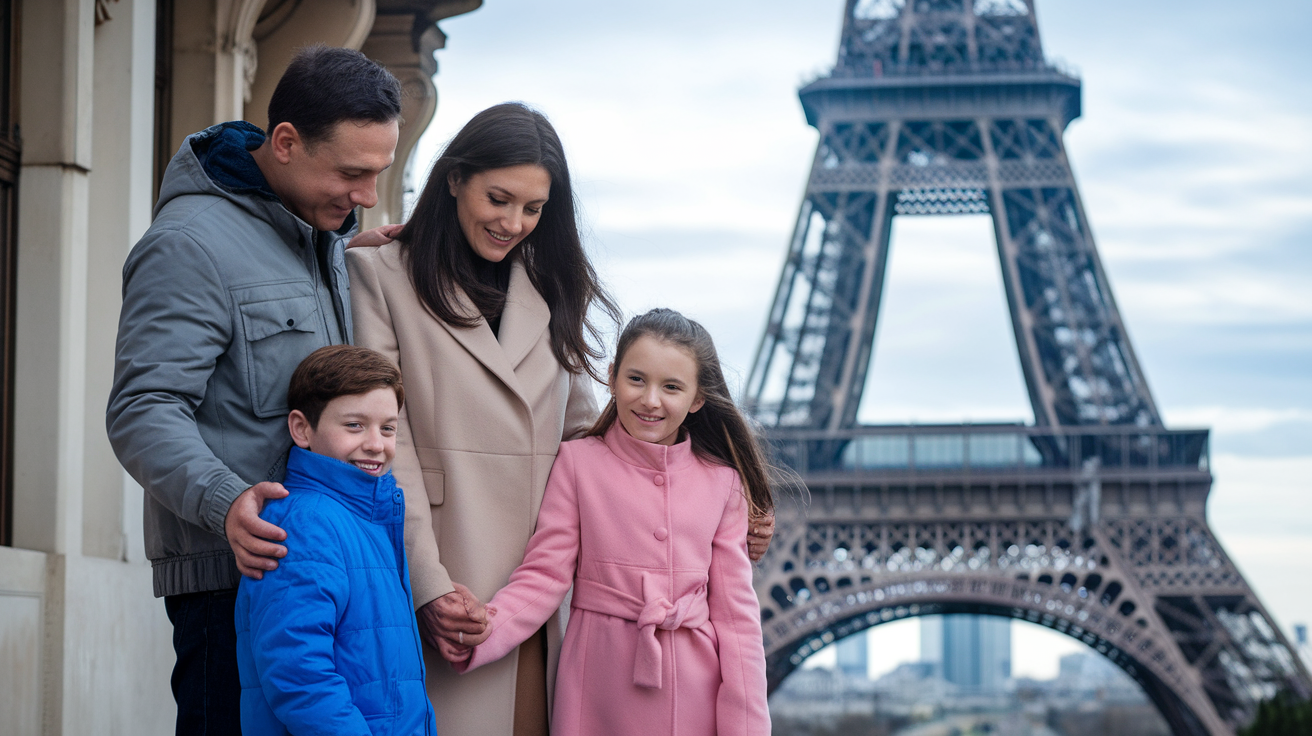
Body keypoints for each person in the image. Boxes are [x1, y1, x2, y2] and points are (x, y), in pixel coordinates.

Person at [347, 102, 775, 736]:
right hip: (444, 565)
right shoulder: (378, 273)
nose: (514, 222)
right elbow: (386, 446)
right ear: (454, 177)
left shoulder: (551, 284)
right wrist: (428, 583)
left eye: (533, 208)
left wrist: (702, 509)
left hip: (552, 589)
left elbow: (590, 435)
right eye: (499, 197)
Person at [106, 46, 401, 735]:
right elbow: (142, 409)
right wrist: (226, 501)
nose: (367, 197)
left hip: (326, 567)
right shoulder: (187, 246)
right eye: (353, 174)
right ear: (289, 144)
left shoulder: (321, 236)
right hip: (235, 579)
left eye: (378, 174)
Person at [452, 308, 772, 736]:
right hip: (597, 688)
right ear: (612, 376)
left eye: (672, 387)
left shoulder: (724, 483)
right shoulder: (577, 464)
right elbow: (544, 576)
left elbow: (737, 621)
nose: (650, 399)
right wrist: (483, 629)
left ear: (698, 399)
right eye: (636, 379)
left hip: (697, 694)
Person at [235, 345, 440, 736]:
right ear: (302, 429)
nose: (376, 444)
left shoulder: (370, 521)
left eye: (388, 428)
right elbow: (297, 672)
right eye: (354, 426)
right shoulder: (307, 523)